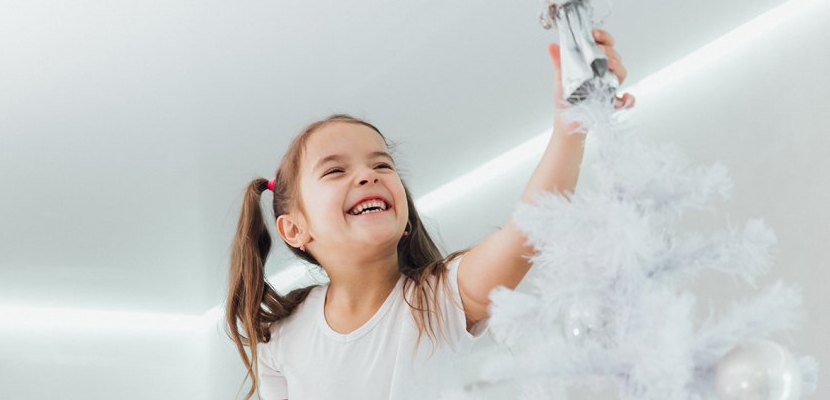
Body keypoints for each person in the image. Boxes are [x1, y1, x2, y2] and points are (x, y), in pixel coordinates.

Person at [224, 31, 634, 400]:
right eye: (336, 170)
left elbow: (530, 229)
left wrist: (572, 125)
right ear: (294, 229)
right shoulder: (281, 338)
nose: (369, 175)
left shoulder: (437, 301)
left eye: (383, 166)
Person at [539, 0, 621, 104]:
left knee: (585, 44)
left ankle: (598, 71)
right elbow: (546, 21)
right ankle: (578, 80)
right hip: (565, 24)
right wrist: (548, 6)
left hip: (577, 19)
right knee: (569, 50)